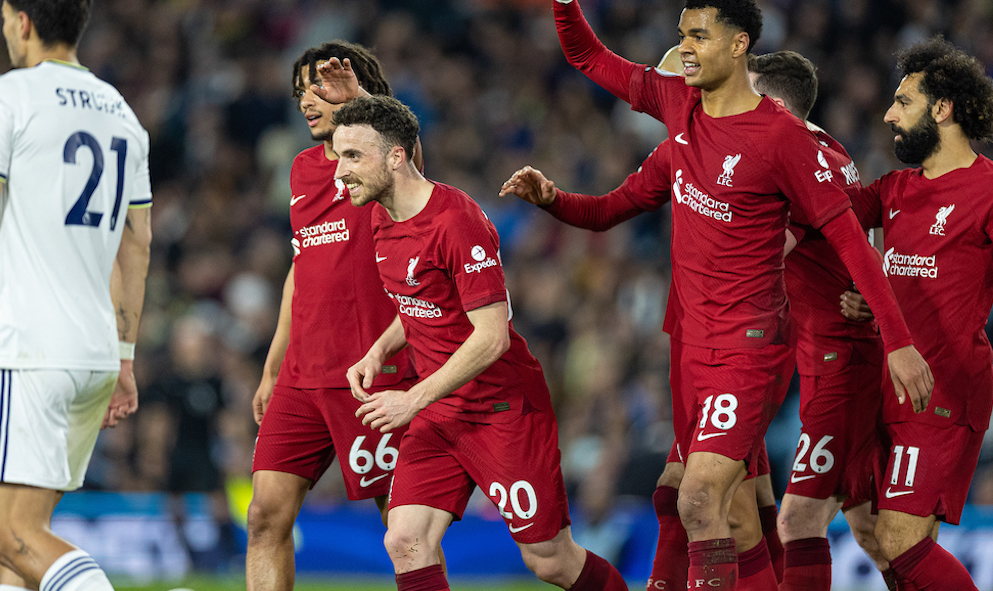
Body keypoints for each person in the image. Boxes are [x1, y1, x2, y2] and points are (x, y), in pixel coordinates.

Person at [542, 0, 932, 590]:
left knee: (708, 501)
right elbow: (589, 61)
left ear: (740, 50)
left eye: (697, 36)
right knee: (726, 510)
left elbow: (846, 238)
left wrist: (897, 338)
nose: (684, 49)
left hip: (759, 345)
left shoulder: (791, 147)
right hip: (694, 341)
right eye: (681, 36)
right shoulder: (681, 115)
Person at [501, 50, 887, 590]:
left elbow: (782, 245)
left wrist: (887, 321)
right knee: (720, 499)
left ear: (770, 104)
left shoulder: (791, 155)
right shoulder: (808, 150)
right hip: (750, 341)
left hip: (782, 348)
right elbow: (616, 201)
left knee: (749, 507)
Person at [333, 94, 629, 591]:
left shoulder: (457, 222)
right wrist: (379, 350)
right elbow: (420, 304)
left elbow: (490, 338)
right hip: (440, 409)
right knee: (404, 539)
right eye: (339, 156)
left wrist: (412, 397)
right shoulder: (382, 217)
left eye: (353, 156)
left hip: (500, 408)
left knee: (551, 560)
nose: (341, 171)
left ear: (396, 156)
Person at [844, 36, 993, 591]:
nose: (889, 113)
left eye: (904, 101)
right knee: (883, 542)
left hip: (942, 392)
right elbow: (830, 223)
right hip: (885, 387)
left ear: (942, 109)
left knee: (898, 541)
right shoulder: (894, 189)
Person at [246, 41, 423, 591]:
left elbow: (414, 159)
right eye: (299, 91)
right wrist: (274, 365)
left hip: (374, 374)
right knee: (264, 516)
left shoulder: (389, 163)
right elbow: (302, 266)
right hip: (303, 375)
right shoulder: (300, 171)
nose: (306, 100)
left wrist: (363, 103)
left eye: (318, 87)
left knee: (403, 529)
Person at [0, 0, 152, 591]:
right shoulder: (122, 114)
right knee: (13, 543)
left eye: (6, 21)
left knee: (14, 534)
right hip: (91, 351)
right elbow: (136, 244)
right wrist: (123, 357)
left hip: (29, 349)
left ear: (26, 21)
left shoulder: (13, 97)